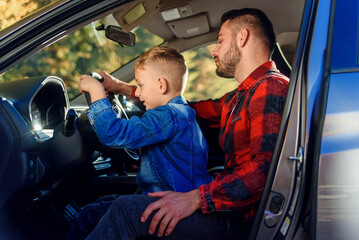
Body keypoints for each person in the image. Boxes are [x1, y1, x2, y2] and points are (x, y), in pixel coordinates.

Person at [67, 8, 289, 240]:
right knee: (95, 212)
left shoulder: (270, 87)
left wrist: (196, 198)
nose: (214, 50)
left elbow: (267, 170)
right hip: (224, 207)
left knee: (125, 210)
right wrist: (123, 88)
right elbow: (181, 107)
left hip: (238, 220)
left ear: (242, 37)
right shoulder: (240, 96)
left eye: (220, 40)